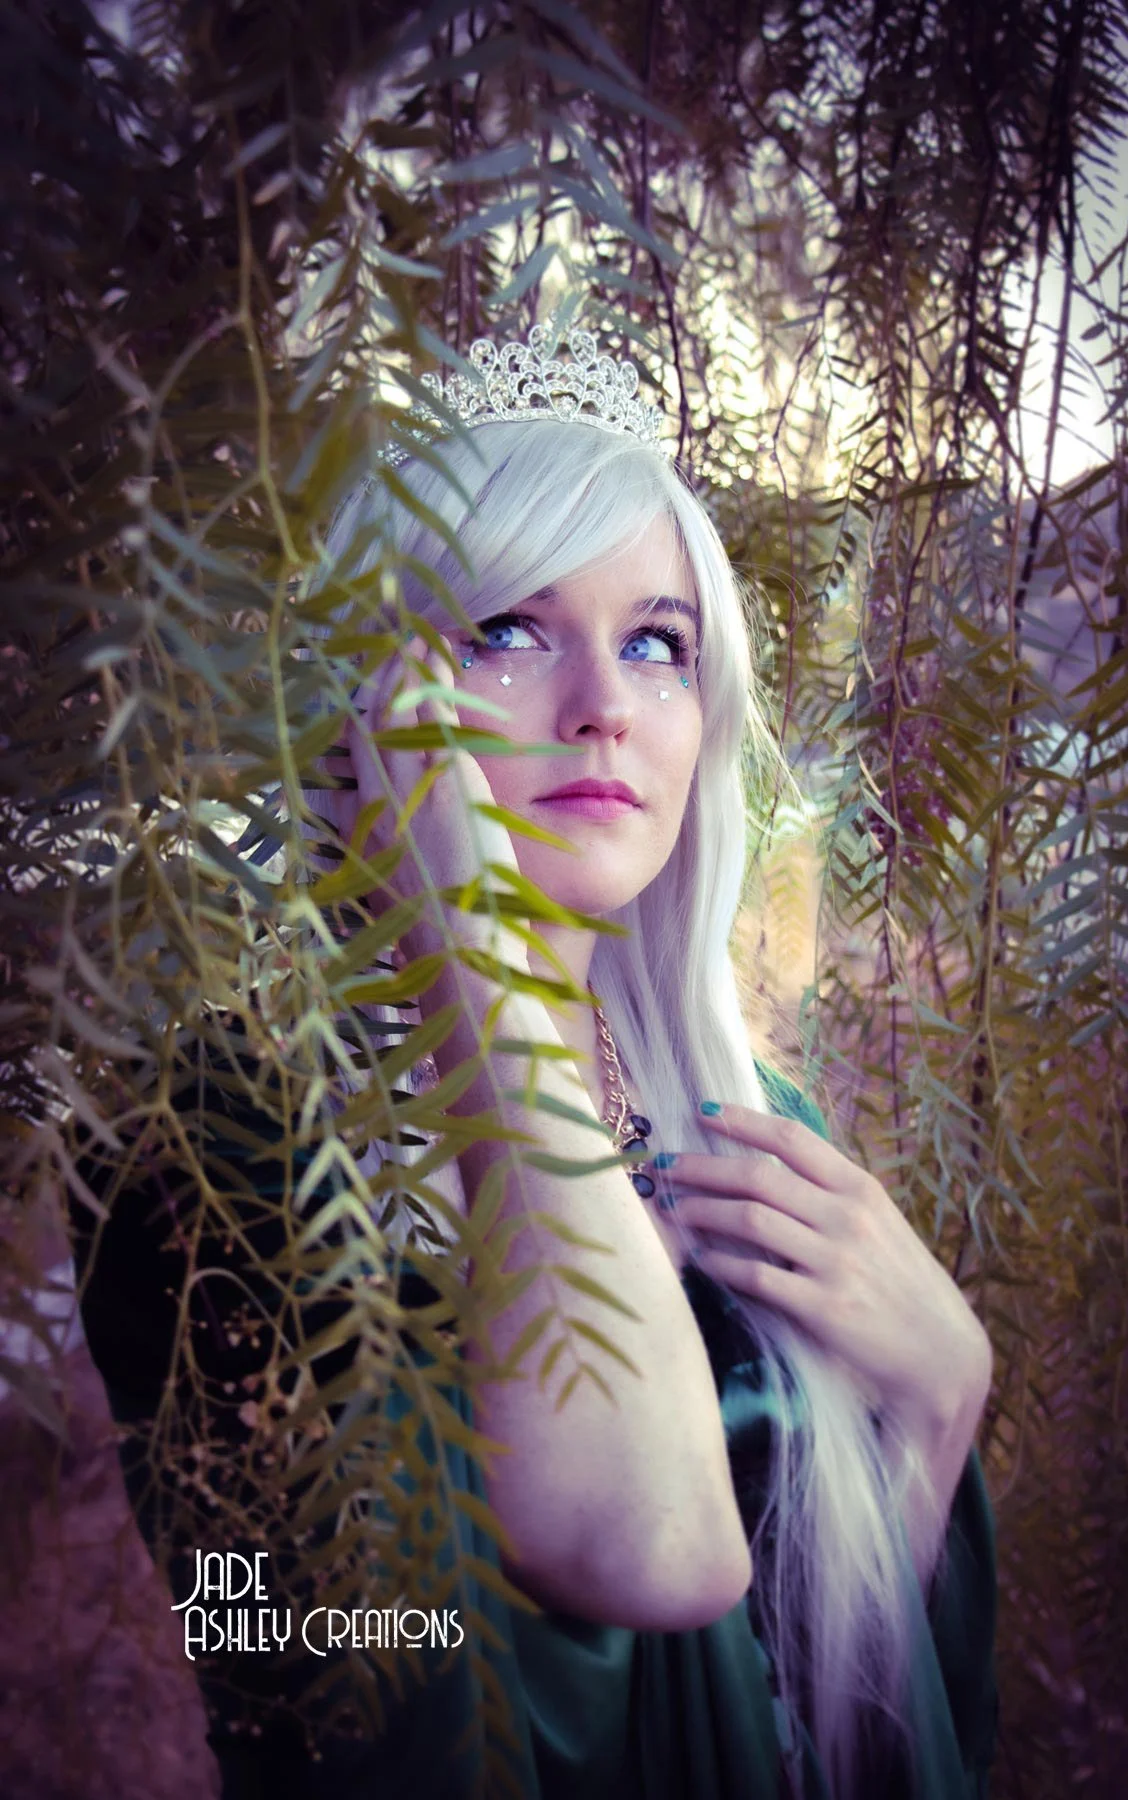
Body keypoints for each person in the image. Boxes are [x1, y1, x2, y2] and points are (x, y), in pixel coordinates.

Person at [68, 322, 997, 1800]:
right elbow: (613, 1570)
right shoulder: (220, 1142)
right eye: (505, 629)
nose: (604, 705)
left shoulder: (746, 1122)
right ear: (368, 712)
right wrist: (468, 953)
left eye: (657, 644)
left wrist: (941, 1400)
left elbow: (828, 1700)